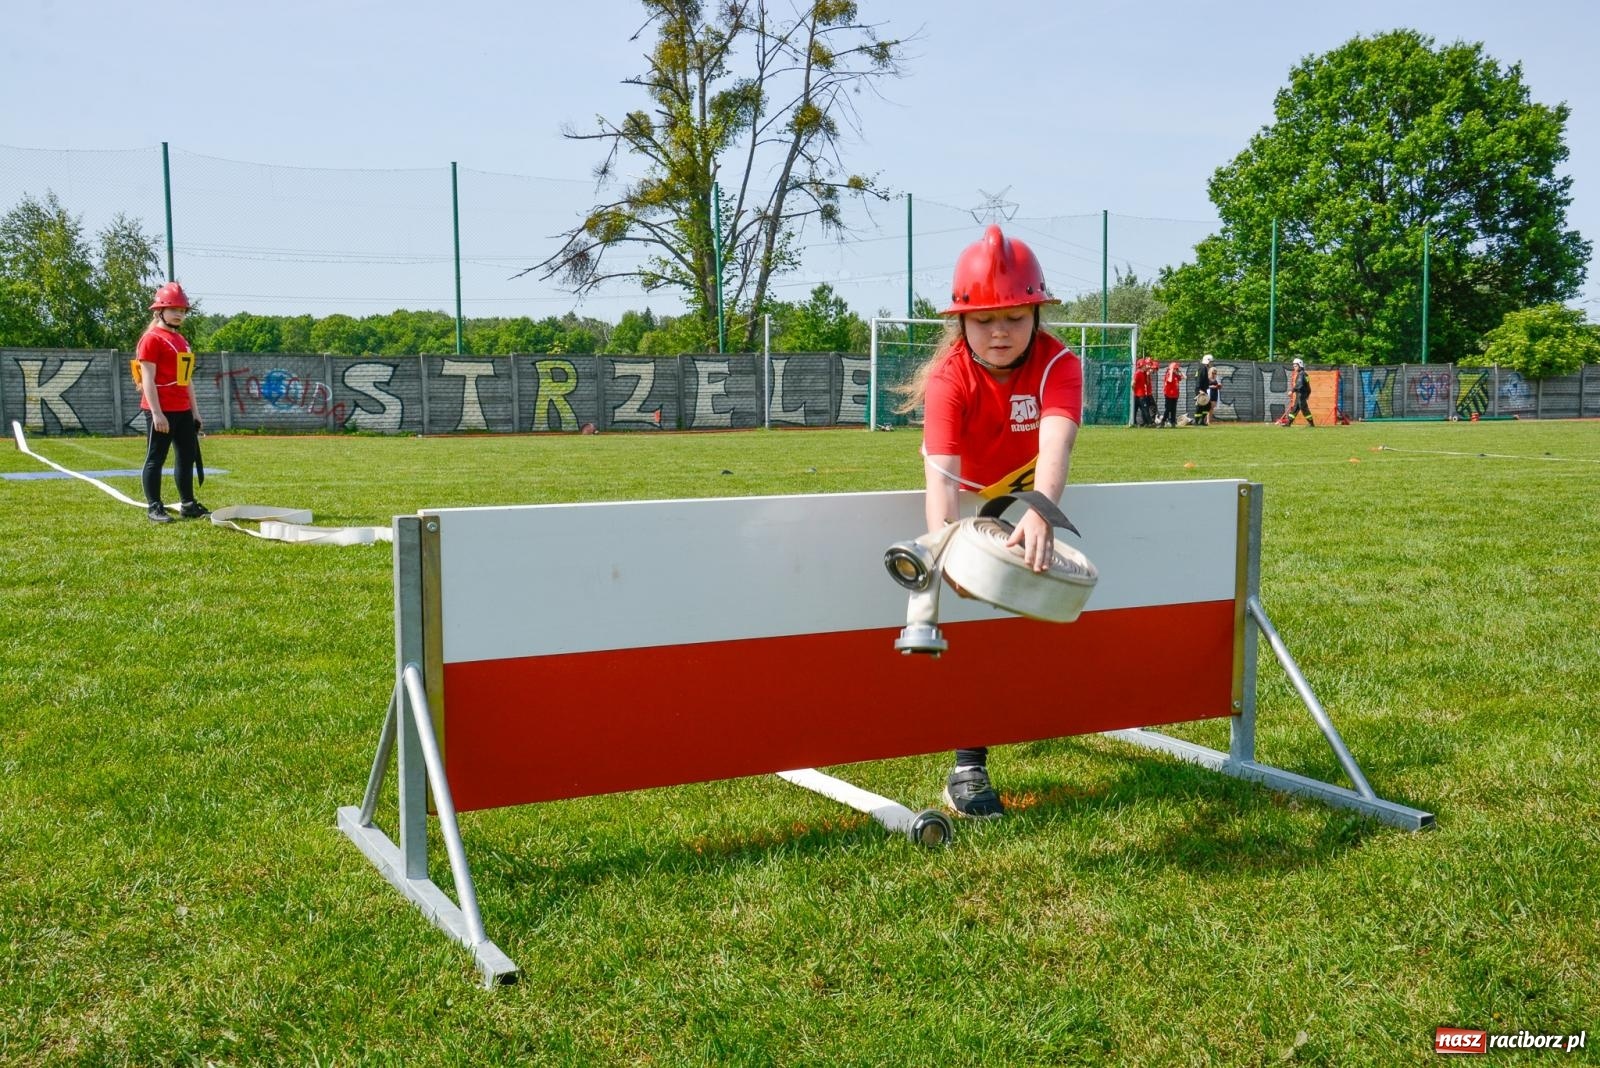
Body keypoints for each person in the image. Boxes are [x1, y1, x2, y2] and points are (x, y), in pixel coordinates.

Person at [896, 224, 1083, 818]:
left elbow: (1056, 447)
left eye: (1014, 317)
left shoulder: (1061, 364)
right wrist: (947, 551)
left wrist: (1040, 510)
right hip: (967, 505)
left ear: (1037, 313)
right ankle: (967, 765)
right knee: (975, 632)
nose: (1000, 332)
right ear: (961, 323)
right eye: (983, 320)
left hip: (1029, 497)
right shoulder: (948, 378)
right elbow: (941, 481)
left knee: (1027, 632)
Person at [136, 282, 208, 523]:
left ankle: (188, 504)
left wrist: (195, 412)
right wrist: (157, 413)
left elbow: (187, 380)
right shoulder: (151, 339)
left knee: (186, 456)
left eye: (182, 310)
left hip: (182, 409)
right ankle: (154, 507)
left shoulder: (182, 340)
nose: (179, 314)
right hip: (161, 409)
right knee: (155, 458)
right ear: (160, 311)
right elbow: (147, 379)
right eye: (174, 309)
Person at [1283, 356, 1315, 426]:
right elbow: (1308, 387)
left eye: (1295, 366)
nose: (1294, 367)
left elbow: (1299, 385)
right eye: (1293, 366)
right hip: (1301, 395)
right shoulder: (1304, 374)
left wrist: (1292, 391)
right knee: (1295, 409)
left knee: (1304, 409)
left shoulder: (1301, 374)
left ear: (1300, 365)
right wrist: (1308, 394)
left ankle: (1311, 424)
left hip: (1301, 395)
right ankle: (1288, 423)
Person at [1194, 353, 1219, 426]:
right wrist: (1200, 390)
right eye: (1211, 362)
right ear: (1207, 361)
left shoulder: (1203, 368)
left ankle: (1201, 421)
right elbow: (1198, 380)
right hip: (1201, 390)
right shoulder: (1202, 368)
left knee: (1207, 405)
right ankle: (1196, 422)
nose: (1212, 363)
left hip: (1203, 389)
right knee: (1200, 406)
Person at [1159, 360, 1183, 427]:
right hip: (1169, 394)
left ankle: (1173, 422)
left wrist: (1179, 372)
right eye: (1175, 368)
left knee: (1173, 409)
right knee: (1168, 409)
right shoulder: (1168, 375)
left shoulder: (1176, 375)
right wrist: (1171, 371)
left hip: (1175, 395)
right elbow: (1169, 380)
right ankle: (1163, 421)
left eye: (1176, 369)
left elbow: (1184, 377)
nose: (1176, 370)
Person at [1132, 355, 1153, 426]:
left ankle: (1146, 423)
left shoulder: (1143, 373)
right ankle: (1149, 423)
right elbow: (1133, 383)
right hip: (1139, 395)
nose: (1146, 366)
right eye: (1144, 365)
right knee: (1144, 409)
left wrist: (1147, 375)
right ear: (1141, 365)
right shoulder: (1138, 373)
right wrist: (1134, 391)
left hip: (1142, 394)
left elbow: (1147, 383)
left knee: (1143, 409)